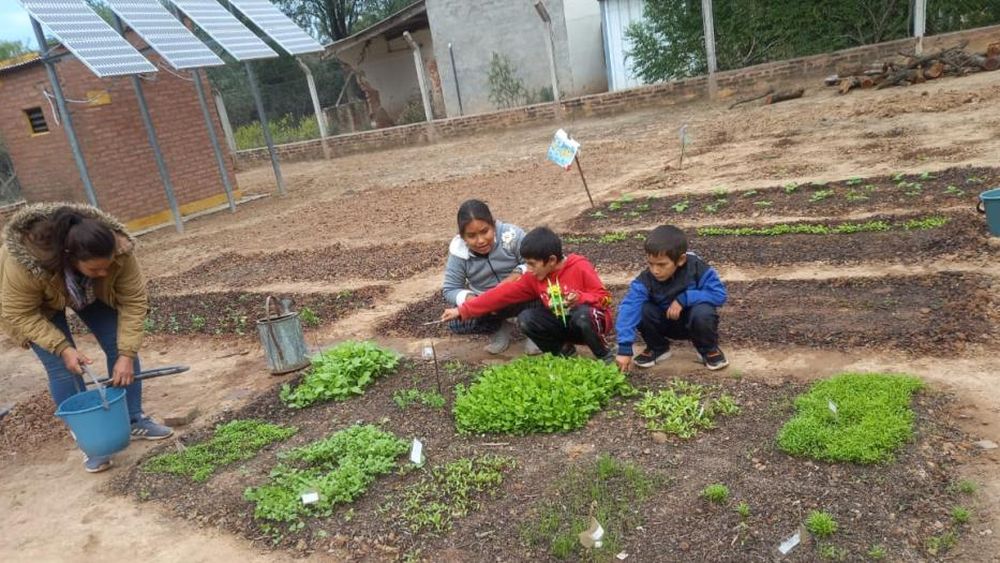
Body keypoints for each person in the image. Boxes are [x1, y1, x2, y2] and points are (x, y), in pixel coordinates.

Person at [0, 203, 172, 473]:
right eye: (95, 269)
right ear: (70, 258)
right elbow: (18, 312)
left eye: (107, 267)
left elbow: (134, 301)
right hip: (36, 305)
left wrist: (126, 355)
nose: (105, 272)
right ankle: (91, 442)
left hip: (90, 292)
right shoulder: (25, 262)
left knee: (121, 345)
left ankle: (133, 417)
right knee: (63, 369)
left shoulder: (118, 250)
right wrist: (63, 348)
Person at [442, 226, 614, 361]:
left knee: (582, 315)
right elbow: (500, 294)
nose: (528, 270)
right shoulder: (534, 278)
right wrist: (462, 310)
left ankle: (604, 355)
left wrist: (581, 298)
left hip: (589, 323)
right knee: (527, 318)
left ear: (552, 260)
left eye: (532, 264)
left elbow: (605, 299)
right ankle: (563, 352)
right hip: (562, 324)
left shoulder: (579, 266)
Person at [614, 225, 729, 372]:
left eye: (662, 264)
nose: (655, 270)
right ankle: (658, 348)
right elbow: (629, 307)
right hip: (665, 322)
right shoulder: (645, 280)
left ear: (680, 259)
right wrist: (624, 348)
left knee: (703, 311)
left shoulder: (697, 268)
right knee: (641, 309)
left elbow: (719, 295)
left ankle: (708, 349)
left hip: (693, 322)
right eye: (651, 264)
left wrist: (685, 298)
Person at [442, 199, 540, 355]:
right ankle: (498, 329)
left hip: (520, 295)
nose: (480, 240)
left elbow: (536, 263)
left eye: (484, 231)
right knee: (457, 323)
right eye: (471, 236)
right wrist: (473, 300)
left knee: (543, 295)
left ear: (493, 224)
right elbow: (450, 288)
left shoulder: (512, 236)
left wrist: (513, 278)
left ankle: (535, 332)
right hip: (487, 303)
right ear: (462, 236)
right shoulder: (458, 252)